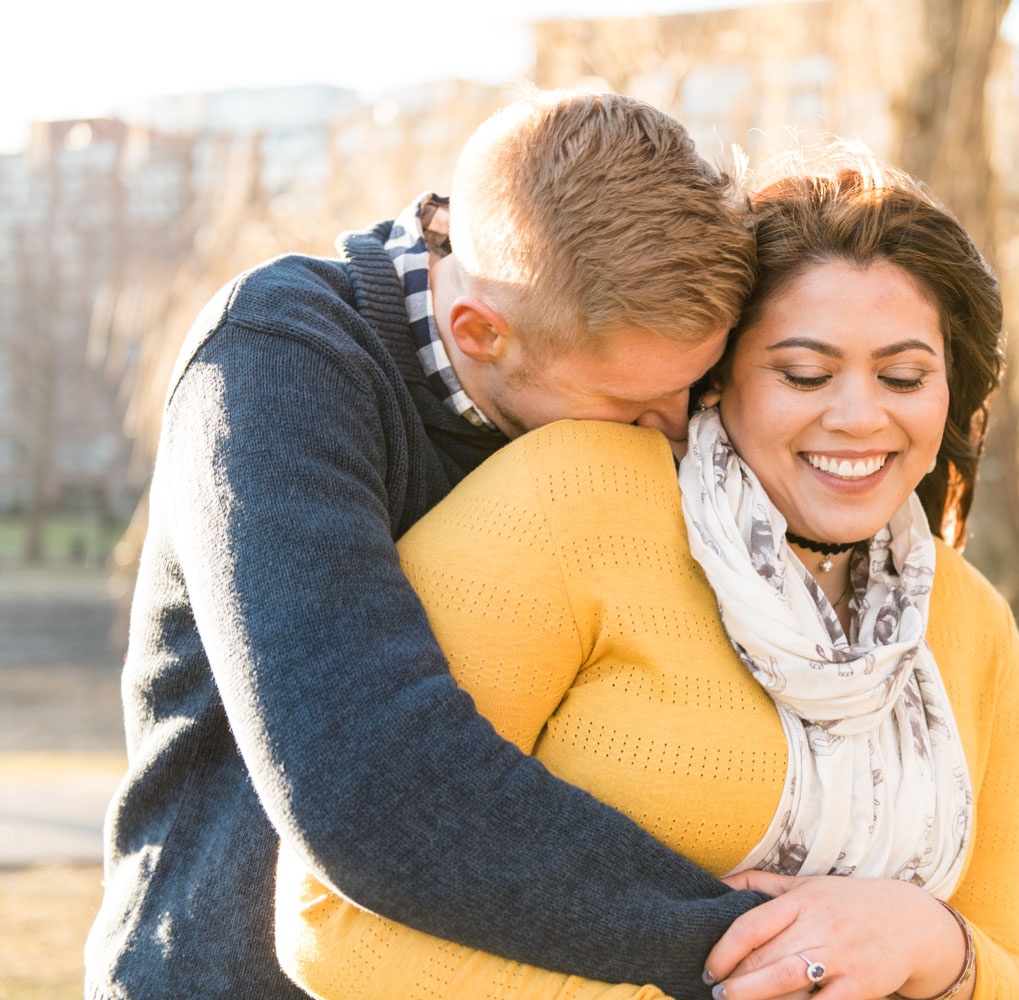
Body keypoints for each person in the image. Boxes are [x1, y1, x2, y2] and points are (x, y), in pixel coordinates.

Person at [274, 150, 1019, 1000]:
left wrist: (936, 941)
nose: (860, 416)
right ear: (713, 379)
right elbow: (331, 922)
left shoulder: (973, 625)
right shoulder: (576, 498)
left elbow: (1013, 968)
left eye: (904, 376)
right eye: (804, 374)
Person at [85, 90, 772, 1000]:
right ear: (479, 333)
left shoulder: (604, 373)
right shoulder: (277, 356)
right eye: (632, 407)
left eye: (699, 387)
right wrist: (742, 946)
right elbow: (371, 783)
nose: (681, 433)